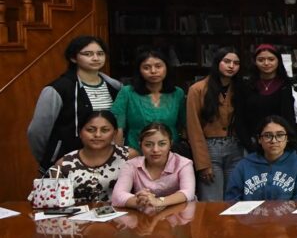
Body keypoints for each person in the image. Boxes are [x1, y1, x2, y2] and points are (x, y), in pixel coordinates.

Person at [28, 35, 122, 173]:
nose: (96, 58)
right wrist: (50, 157)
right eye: (88, 54)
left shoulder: (116, 87)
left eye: (100, 54)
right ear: (73, 58)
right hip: (66, 164)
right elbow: (37, 132)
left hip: (108, 163)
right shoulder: (58, 89)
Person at [186, 47, 244, 202]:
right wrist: (202, 163)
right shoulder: (197, 89)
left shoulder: (240, 88)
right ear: (217, 62)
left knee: (235, 198)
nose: (231, 66)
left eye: (236, 63)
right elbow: (193, 128)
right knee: (212, 200)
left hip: (235, 147)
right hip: (210, 148)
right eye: (227, 61)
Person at [39, 110, 133, 205]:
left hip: (120, 217)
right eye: (90, 130)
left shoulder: (129, 156)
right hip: (76, 218)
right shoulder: (64, 163)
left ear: (115, 133)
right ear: (80, 132)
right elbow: (55, 202)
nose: (97, 135)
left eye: (105, 130)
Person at [110, 47, 186, 150]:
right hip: (135, 153)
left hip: (170, 153)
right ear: (139, 71)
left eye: (158, 66)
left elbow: (186, 125)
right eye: (146, 67)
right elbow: (118, 128)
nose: (153, 71)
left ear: (166, 68)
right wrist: (118, 156)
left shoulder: (177, 93)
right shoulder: (127, 92)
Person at [225, 115, 297, 201]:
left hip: (287, 217)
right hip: (252, 217)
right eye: (268, 136)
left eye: (280, 135)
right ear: (259, 139)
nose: (274, 141)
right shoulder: (244, 165)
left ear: (287, 138)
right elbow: (232, 200)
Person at [111, 123, 196, 211]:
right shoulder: (131, 165)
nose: (155, 150)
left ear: (170, 144)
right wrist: (143, 201)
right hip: (144, 218)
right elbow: (117, 196)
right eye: (148, 144)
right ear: (140, 145)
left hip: (178, 216)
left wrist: (158, 202)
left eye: (162, 144)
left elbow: (188, 192)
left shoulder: (183, 164)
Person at [237, 44, 295, 152]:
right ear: (255, 62)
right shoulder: (246, 86)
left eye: (271, 59)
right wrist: (249, 144)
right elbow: (240, 118)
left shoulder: (287, 86)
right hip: (253, 143)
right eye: (261, 60)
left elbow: (290, 117)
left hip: (280, 144)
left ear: (278, 61)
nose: (266, 63)